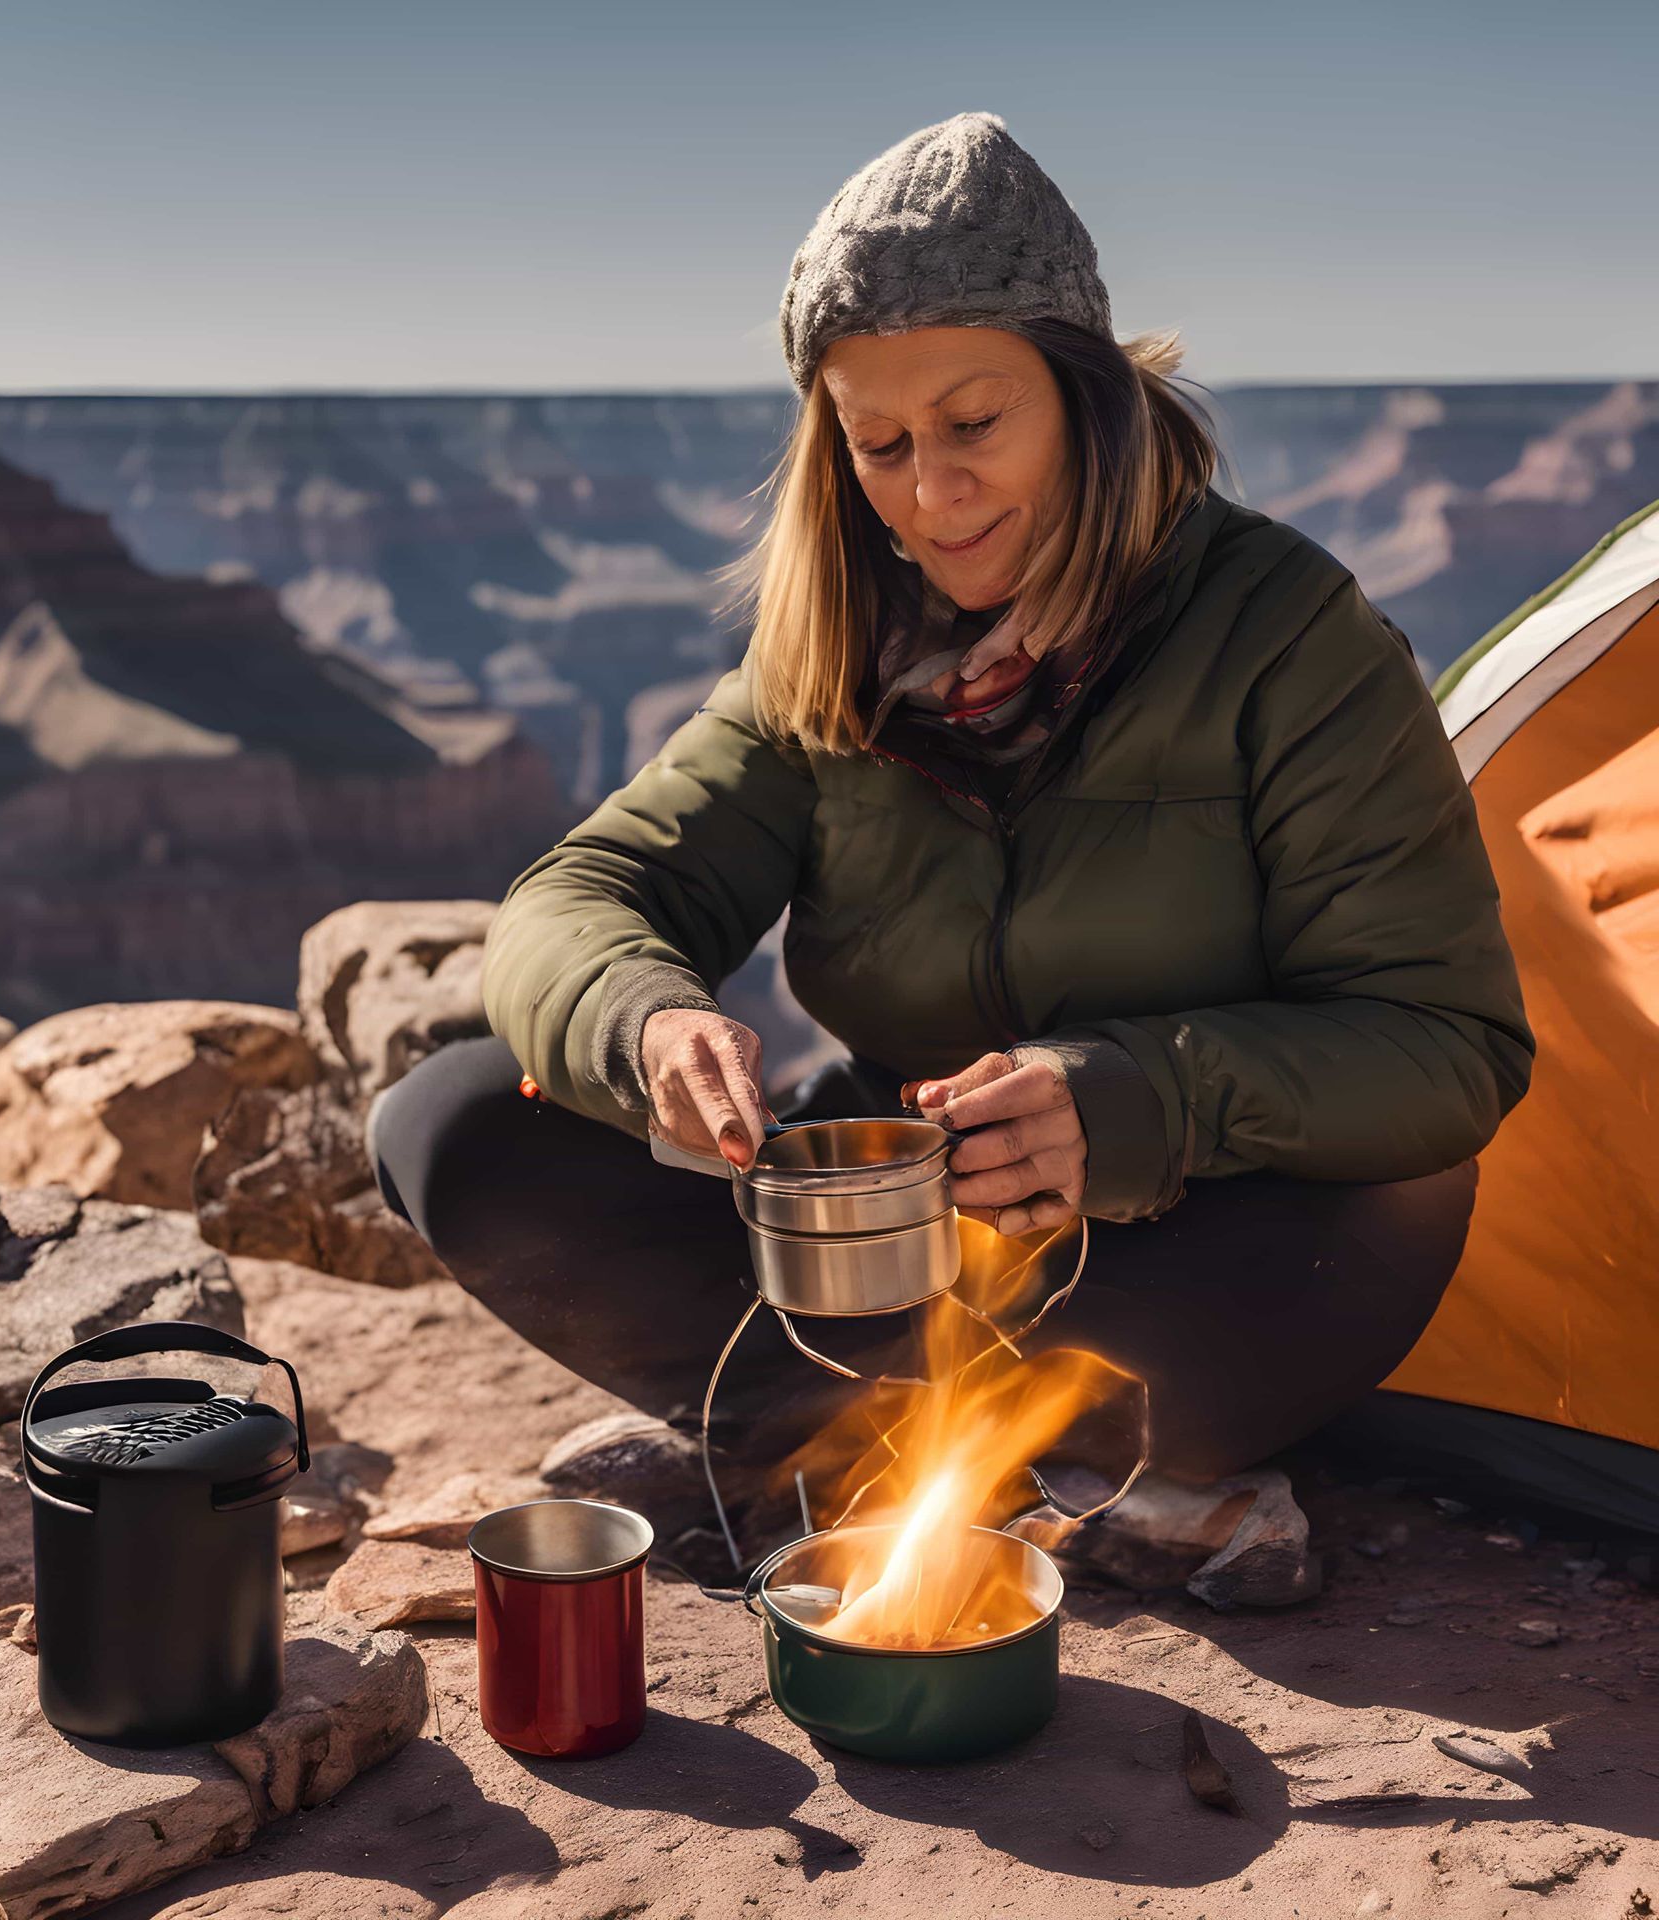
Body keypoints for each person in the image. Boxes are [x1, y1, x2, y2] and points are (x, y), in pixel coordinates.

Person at [368, 111, 1532, 1496]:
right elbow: (581, 896)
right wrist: (648, 1023)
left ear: (1087, 395)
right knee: (459, 1128)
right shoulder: (837, 650)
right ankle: (967, 1452)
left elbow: (1446, 1048)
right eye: (878, 443)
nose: (931, 494)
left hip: (1201, 1216)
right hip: (905, 1226)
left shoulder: (1289, 639)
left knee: (1249, 1287)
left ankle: (867, 1432)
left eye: (976, 422)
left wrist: (1133, 1099)